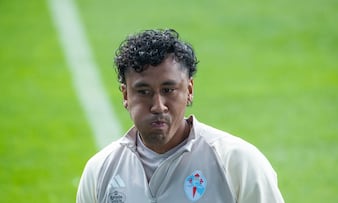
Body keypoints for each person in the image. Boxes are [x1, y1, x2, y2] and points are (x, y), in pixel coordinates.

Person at [76, 28, 284, 203]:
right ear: (125, 95)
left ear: (189, 90)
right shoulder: (100, 170)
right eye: (144, 92)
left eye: (168, 90)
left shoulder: (237, 162)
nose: (158, 106)